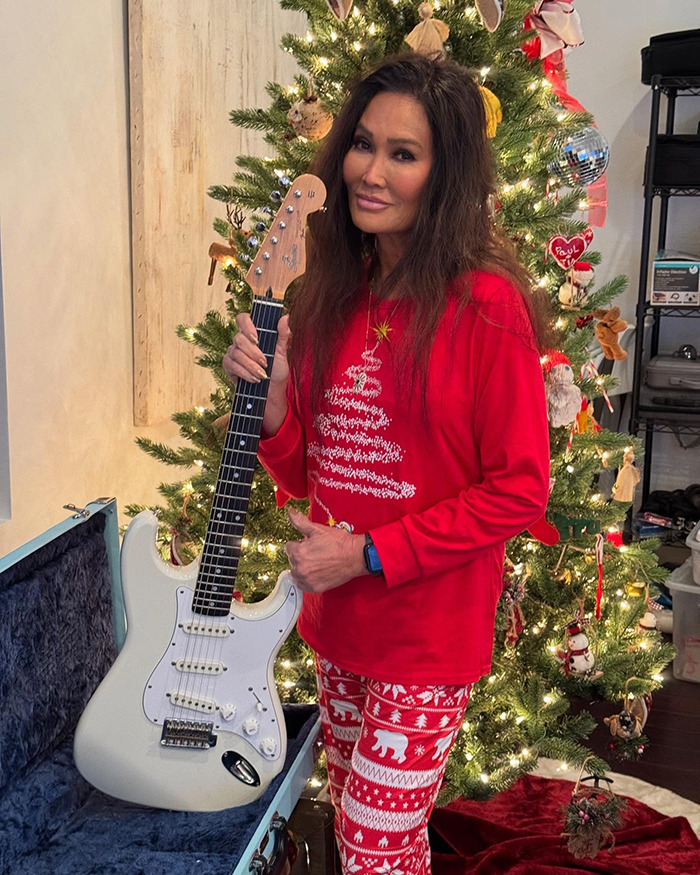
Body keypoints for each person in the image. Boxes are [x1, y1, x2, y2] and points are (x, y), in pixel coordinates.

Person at [223, 54, 551, 875]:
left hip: (428, 629)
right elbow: (309, 472)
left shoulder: (486, 304)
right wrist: (271, 411)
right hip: (340, 622)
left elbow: (519, 487)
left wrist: (368, 552)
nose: (370, 171)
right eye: (363, 144)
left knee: (373, 838)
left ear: (444, 173)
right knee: (367, 834)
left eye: (403, 153)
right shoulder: (335, 287)